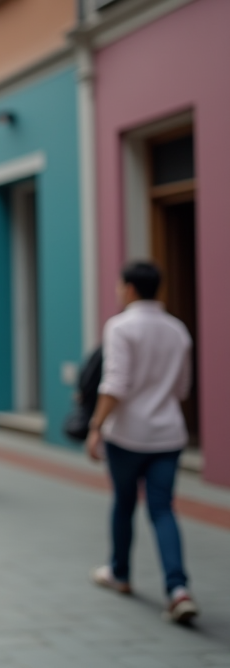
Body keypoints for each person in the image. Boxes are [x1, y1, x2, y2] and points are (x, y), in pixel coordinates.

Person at [87, 261, 198, 624]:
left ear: (131, 289)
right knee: (163, 508)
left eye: (120, 286)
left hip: (128, 435)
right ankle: (178, 589)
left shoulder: (120, 326)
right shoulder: (178, 330)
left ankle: (120, 573)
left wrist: (96, 425)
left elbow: (115, 383)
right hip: (168, 434)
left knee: (123, 502)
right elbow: (182, 388)